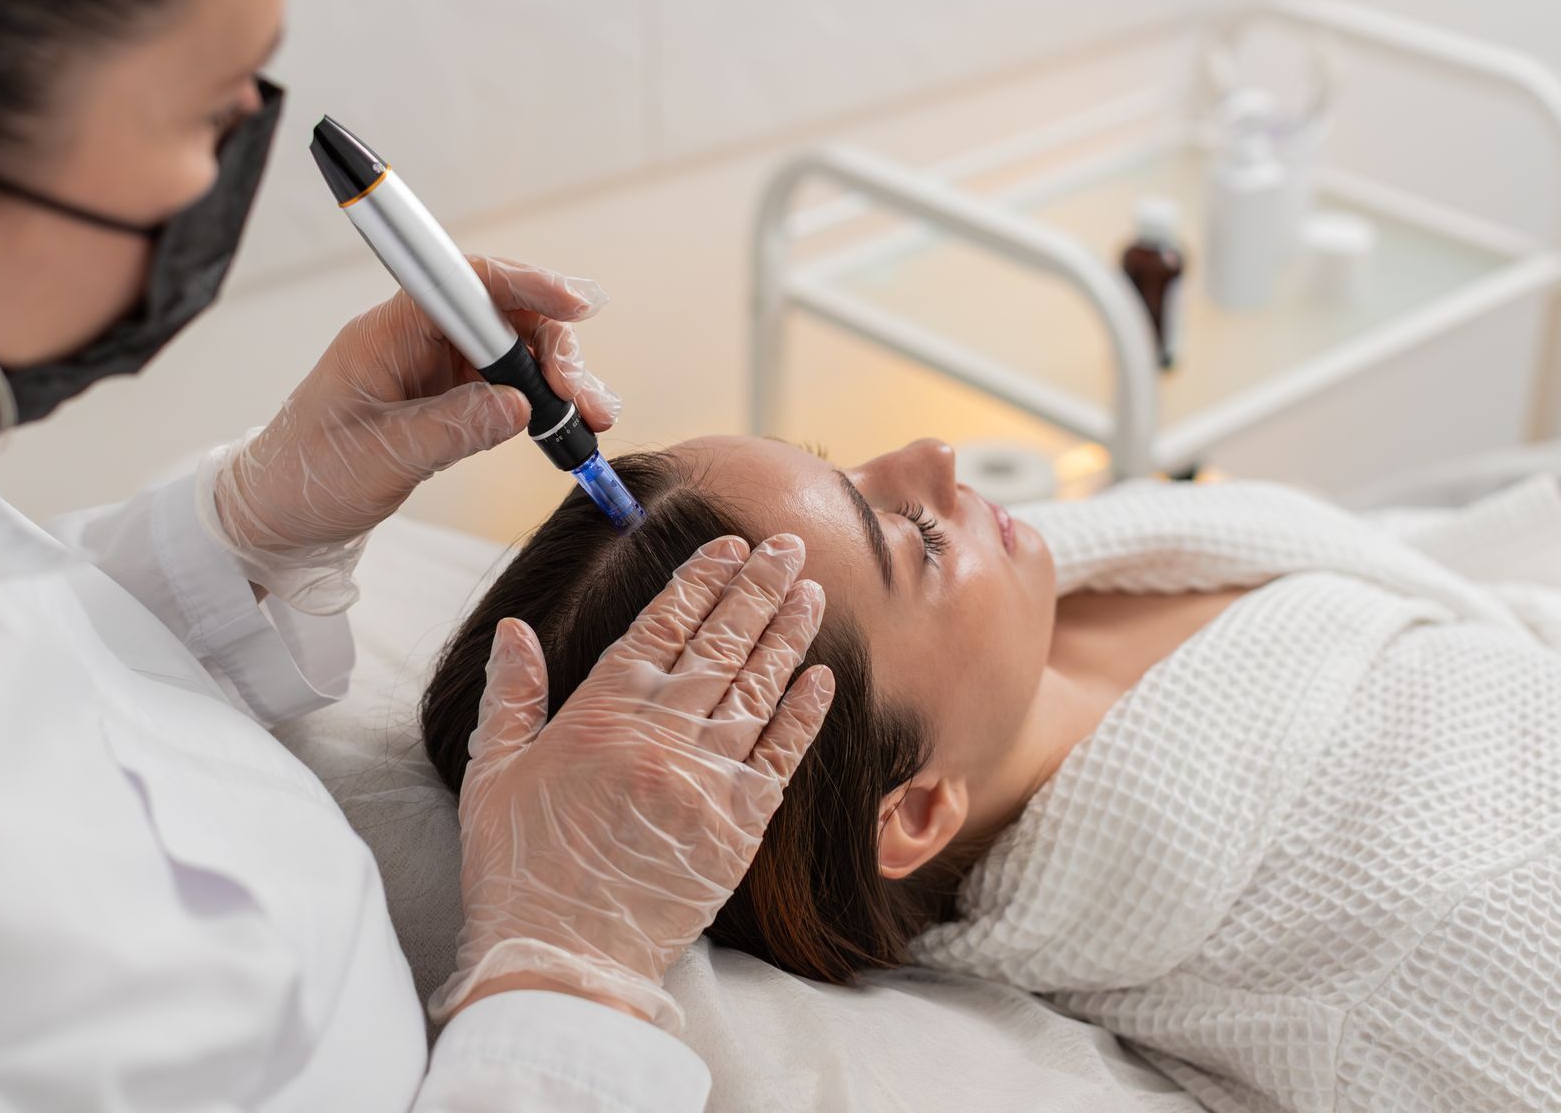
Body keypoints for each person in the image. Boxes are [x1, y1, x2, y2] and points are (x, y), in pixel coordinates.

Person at [0, 0, 835, 1109]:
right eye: (215, 111)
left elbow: (7, 664)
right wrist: (573, 979)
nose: (235, 161)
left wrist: (244, 534)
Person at [422, 435, 1561, 1111]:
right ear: (915, 807)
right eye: (912, 535)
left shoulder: (1008, 619)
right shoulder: (1382, 942)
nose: (937, 454)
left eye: (842, 466)